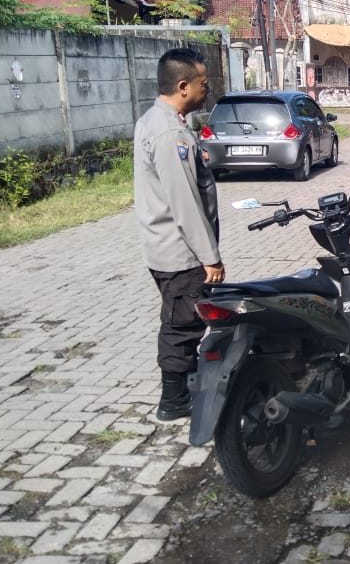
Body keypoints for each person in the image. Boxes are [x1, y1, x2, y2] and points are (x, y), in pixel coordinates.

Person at [134, 48, 225, 422]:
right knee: (182, 326)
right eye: (204, 84)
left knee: (182, 319)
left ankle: (185, 384)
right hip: (182, 254)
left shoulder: (156, 120)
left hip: (163, 246)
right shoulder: (171, 133)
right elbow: (185, 203)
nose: (207, 90)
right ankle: (174, 401)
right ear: (183, 86)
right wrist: (210, 257)